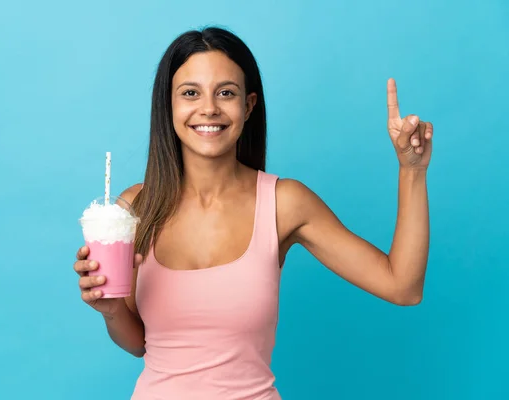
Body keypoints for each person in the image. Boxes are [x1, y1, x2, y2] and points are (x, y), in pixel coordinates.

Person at [73, 26, 433, 400]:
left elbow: (402, 286)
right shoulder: (135, 208)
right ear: (169, 105)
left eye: (226, 93)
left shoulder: (284, 203)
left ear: (248, 106)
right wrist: (112, 309)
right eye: (190, 93)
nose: (208, 108)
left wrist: (412, 170)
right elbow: (140, 344)